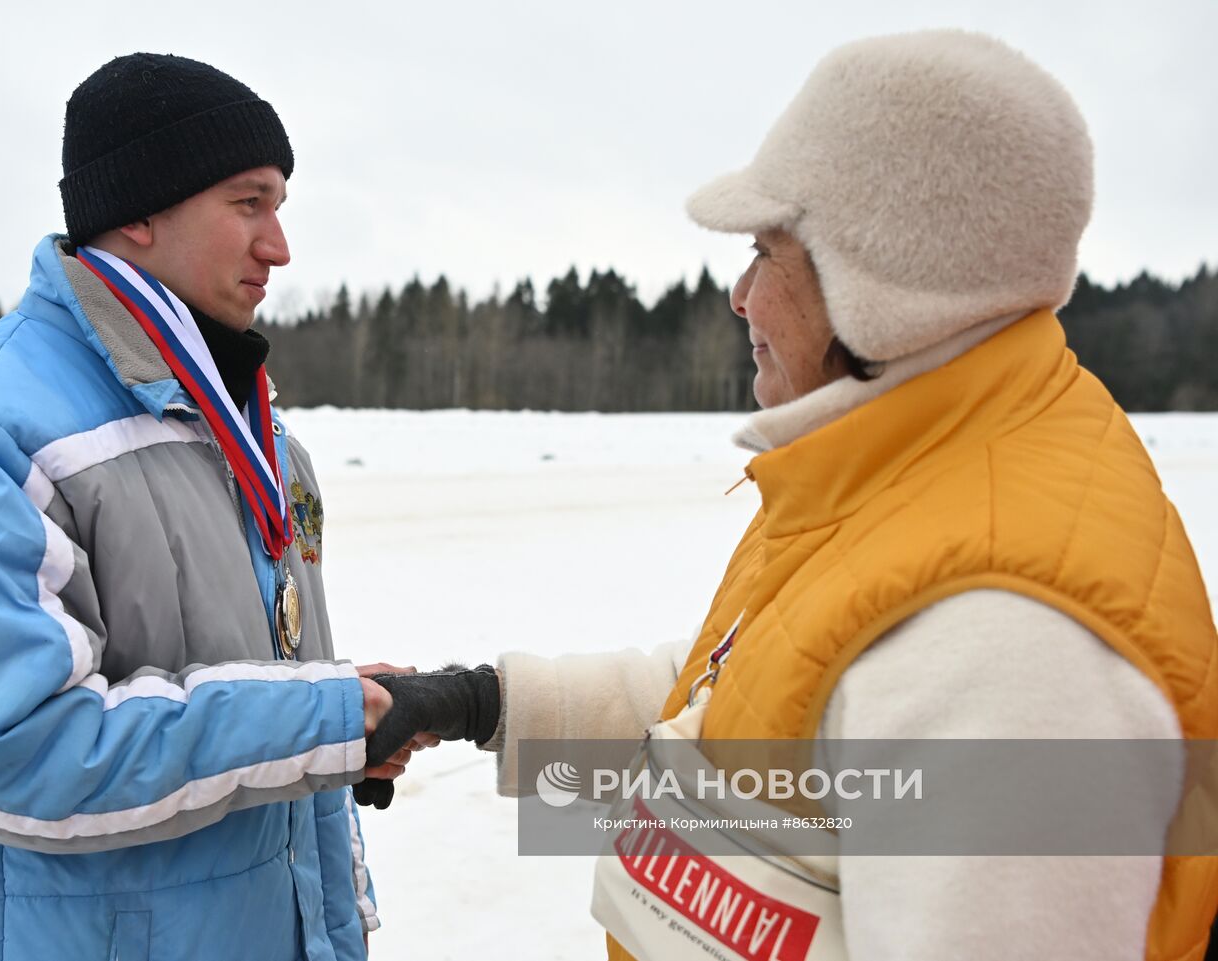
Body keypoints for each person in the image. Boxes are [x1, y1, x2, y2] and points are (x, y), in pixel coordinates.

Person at [365, 30, 1218, 961]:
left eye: (767, 253)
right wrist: (479, 703)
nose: (739, 295)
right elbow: (753, 697)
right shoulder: (913, 479)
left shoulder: (1003, 644)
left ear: (882, 284)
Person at [0, 52, 435, 961]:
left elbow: (238, 684)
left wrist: (349, 712)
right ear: (135, 211)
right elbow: (10, 753)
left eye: (280, 207)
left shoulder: (253, 429)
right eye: (248, 204)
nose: (279, 246)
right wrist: (321, 718)